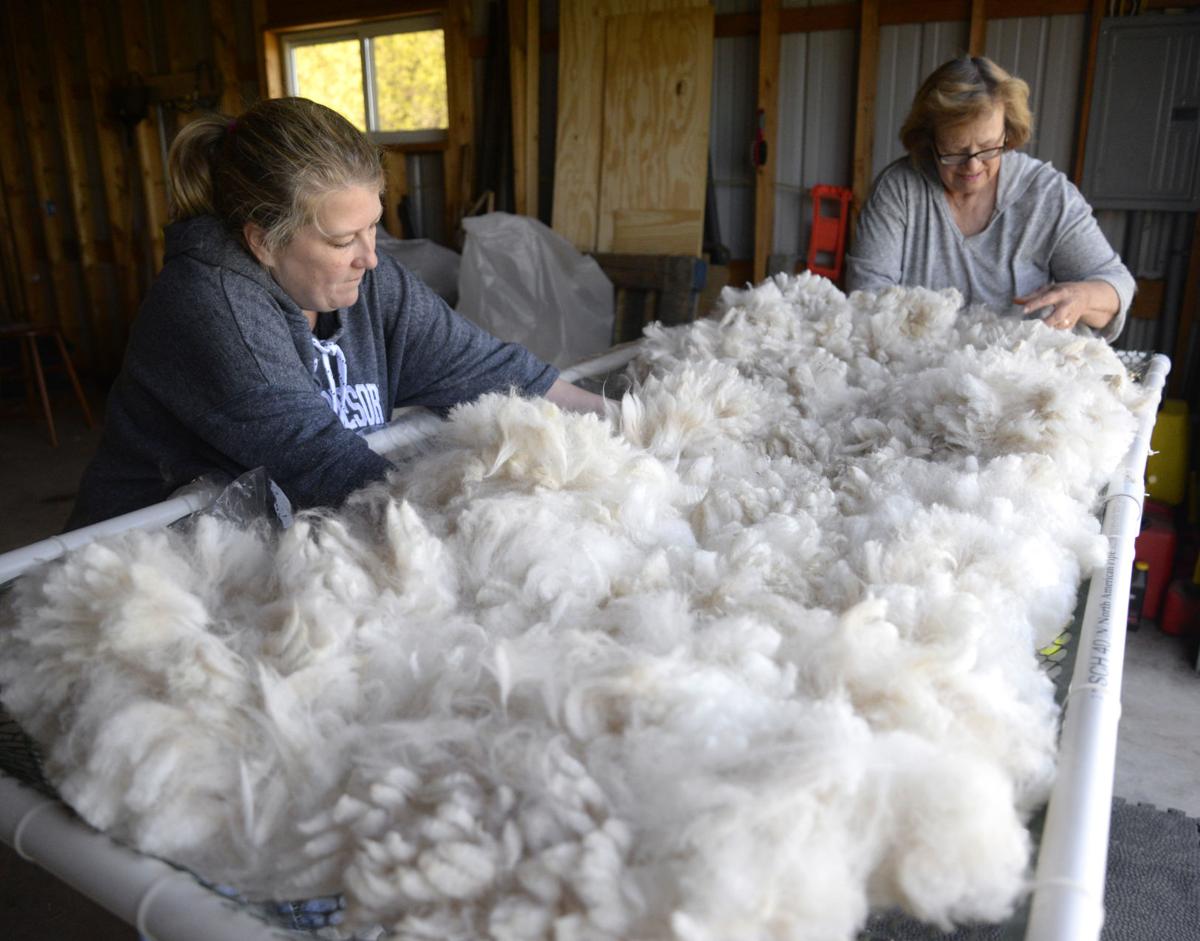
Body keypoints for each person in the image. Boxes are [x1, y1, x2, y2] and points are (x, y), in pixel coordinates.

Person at [67, 97, 605, 529]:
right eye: (342, 239)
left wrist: (619, 422)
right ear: (263, 242)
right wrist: (495, 534)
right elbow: (323, 466)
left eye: (373, 225)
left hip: (269, 552)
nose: (369, 257)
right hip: (145, 575)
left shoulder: (371, 280)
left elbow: (483, 368)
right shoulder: (212, 306)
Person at [845, 56, 1133, 342]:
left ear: (1008, 132)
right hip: (918, 369)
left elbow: (1116, 287)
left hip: (1019, 370)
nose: (972, 166)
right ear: (928, 141)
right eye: (955, 151)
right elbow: (867, 301)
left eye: (987, 148)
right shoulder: (899, 191)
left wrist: (1081, 297)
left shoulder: (1046, 195)